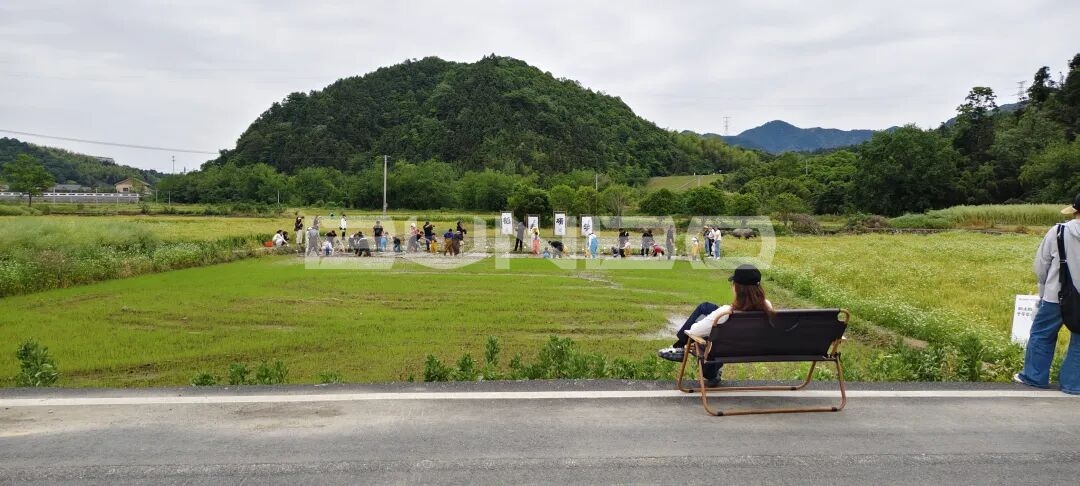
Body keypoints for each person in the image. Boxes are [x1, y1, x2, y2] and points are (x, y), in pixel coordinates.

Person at [656, 264, 775, 387]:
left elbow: (694, 331)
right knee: (706, 308)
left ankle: (681, 348)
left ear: (737, 288)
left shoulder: (725, 313)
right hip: (751, 347)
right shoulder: (767, 307)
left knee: (705, 328)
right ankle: (681, 348)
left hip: (725, 349)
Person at [1015, 194, 1080, 395]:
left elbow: (1041, 265)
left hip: (1056, 296)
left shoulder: (1059, 231)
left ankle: (1035, 377)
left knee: (1042, 335)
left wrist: (1043, 292)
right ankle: (1073, 385)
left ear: (1075, 210)